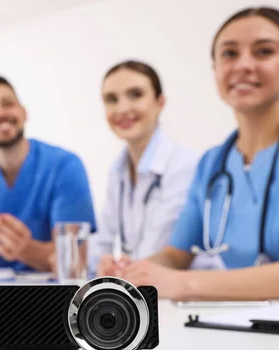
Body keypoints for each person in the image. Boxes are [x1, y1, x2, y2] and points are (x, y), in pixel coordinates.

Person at [100, 7, 279, 302]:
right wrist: (132, 273)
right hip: (241, 325)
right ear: (215, 69)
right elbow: (175, 255)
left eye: (264, 51)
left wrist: (181, 284)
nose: (243, 65)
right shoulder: (213, 163)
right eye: (230, 54)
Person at [0, 75, 97, 273]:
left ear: (24, 113)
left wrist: (28, 250)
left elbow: (75, 260)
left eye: (8, 104)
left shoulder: (65, 166)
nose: (0, 113)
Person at [91, 60, 220, 274]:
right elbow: (103, 243)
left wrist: (122, 269)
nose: (122, 108)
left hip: (191, 291)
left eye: (136, 95)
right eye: (111, 99)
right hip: (149, 286)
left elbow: (164, 251)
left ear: (160, 103)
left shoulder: (184, 166)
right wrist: (103, 263)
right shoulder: (118, 171)